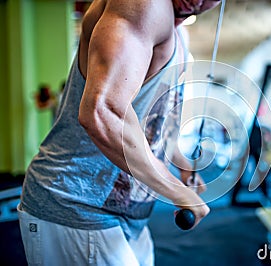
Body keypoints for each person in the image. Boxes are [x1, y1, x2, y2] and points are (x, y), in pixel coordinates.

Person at [18, 0, 220, 265]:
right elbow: (103, 113)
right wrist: (175, 190)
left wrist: (181, 165)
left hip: (129, 217)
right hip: (77, 206)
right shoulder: (144, 5)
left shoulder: (178, 34)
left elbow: (155, 123)